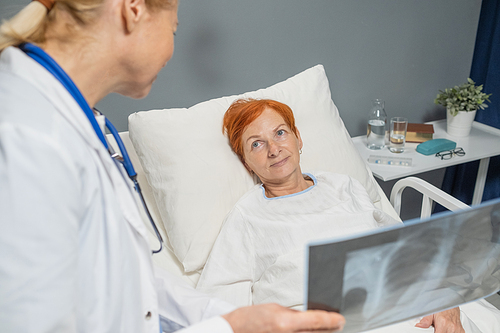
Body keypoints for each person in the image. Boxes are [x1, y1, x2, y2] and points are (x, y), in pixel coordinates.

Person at [0, 1, 345, 332]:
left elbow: (133, 280)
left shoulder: (68, 120)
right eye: (174, 30)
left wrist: (236, 321)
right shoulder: (25, 136)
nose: (171, 49)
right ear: (133, 9)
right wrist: (228, 328)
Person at [196, 98, 497, 333]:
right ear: (247, 162)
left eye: (280, 133)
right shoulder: (247, 217)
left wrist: (444, 301)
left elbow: (408, 249)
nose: (274, 149)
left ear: (297, 139)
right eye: (257, 144)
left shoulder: (344, 186)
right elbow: (220, 303)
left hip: (393, 305)